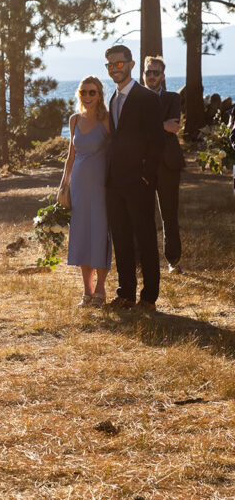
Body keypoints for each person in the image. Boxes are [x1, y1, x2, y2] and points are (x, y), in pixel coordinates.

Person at [103, 45, 163, 312]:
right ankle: (125, 294)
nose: (114, 68)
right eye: (110, 65)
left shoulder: (146, 98)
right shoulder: (112, 99)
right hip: (114, 182)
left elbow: (157, 143)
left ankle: (149, 297)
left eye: (119, 64)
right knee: (122, 238)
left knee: (145, 239)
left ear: (130, 64)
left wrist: (146, 178)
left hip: (138, 182)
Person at [59, 77, 112, 308]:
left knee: (100, 234)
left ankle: (101, 288)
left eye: (92, 92)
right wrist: (63, 186)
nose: (88, 97)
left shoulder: (107, 119)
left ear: (100, 94)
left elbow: (115, 152)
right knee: (81, 234)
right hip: (79, 185)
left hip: (101, 185)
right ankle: (87, 290)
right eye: (84, 92)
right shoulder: (74, 120)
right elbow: (70, 158)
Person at [142, 56, 185, 274]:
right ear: (143, 74)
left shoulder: (173, 98)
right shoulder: (135, 98)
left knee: (169, 214)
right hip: (143, 164)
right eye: (148, 72)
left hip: (168, 164)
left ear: (163, 76)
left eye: (155, 73)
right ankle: (145, 261)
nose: (151, 76)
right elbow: (135, 131)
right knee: (143, 214)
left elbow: (173, 127)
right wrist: (160, 126)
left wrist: (149, 127)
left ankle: (173, 260)